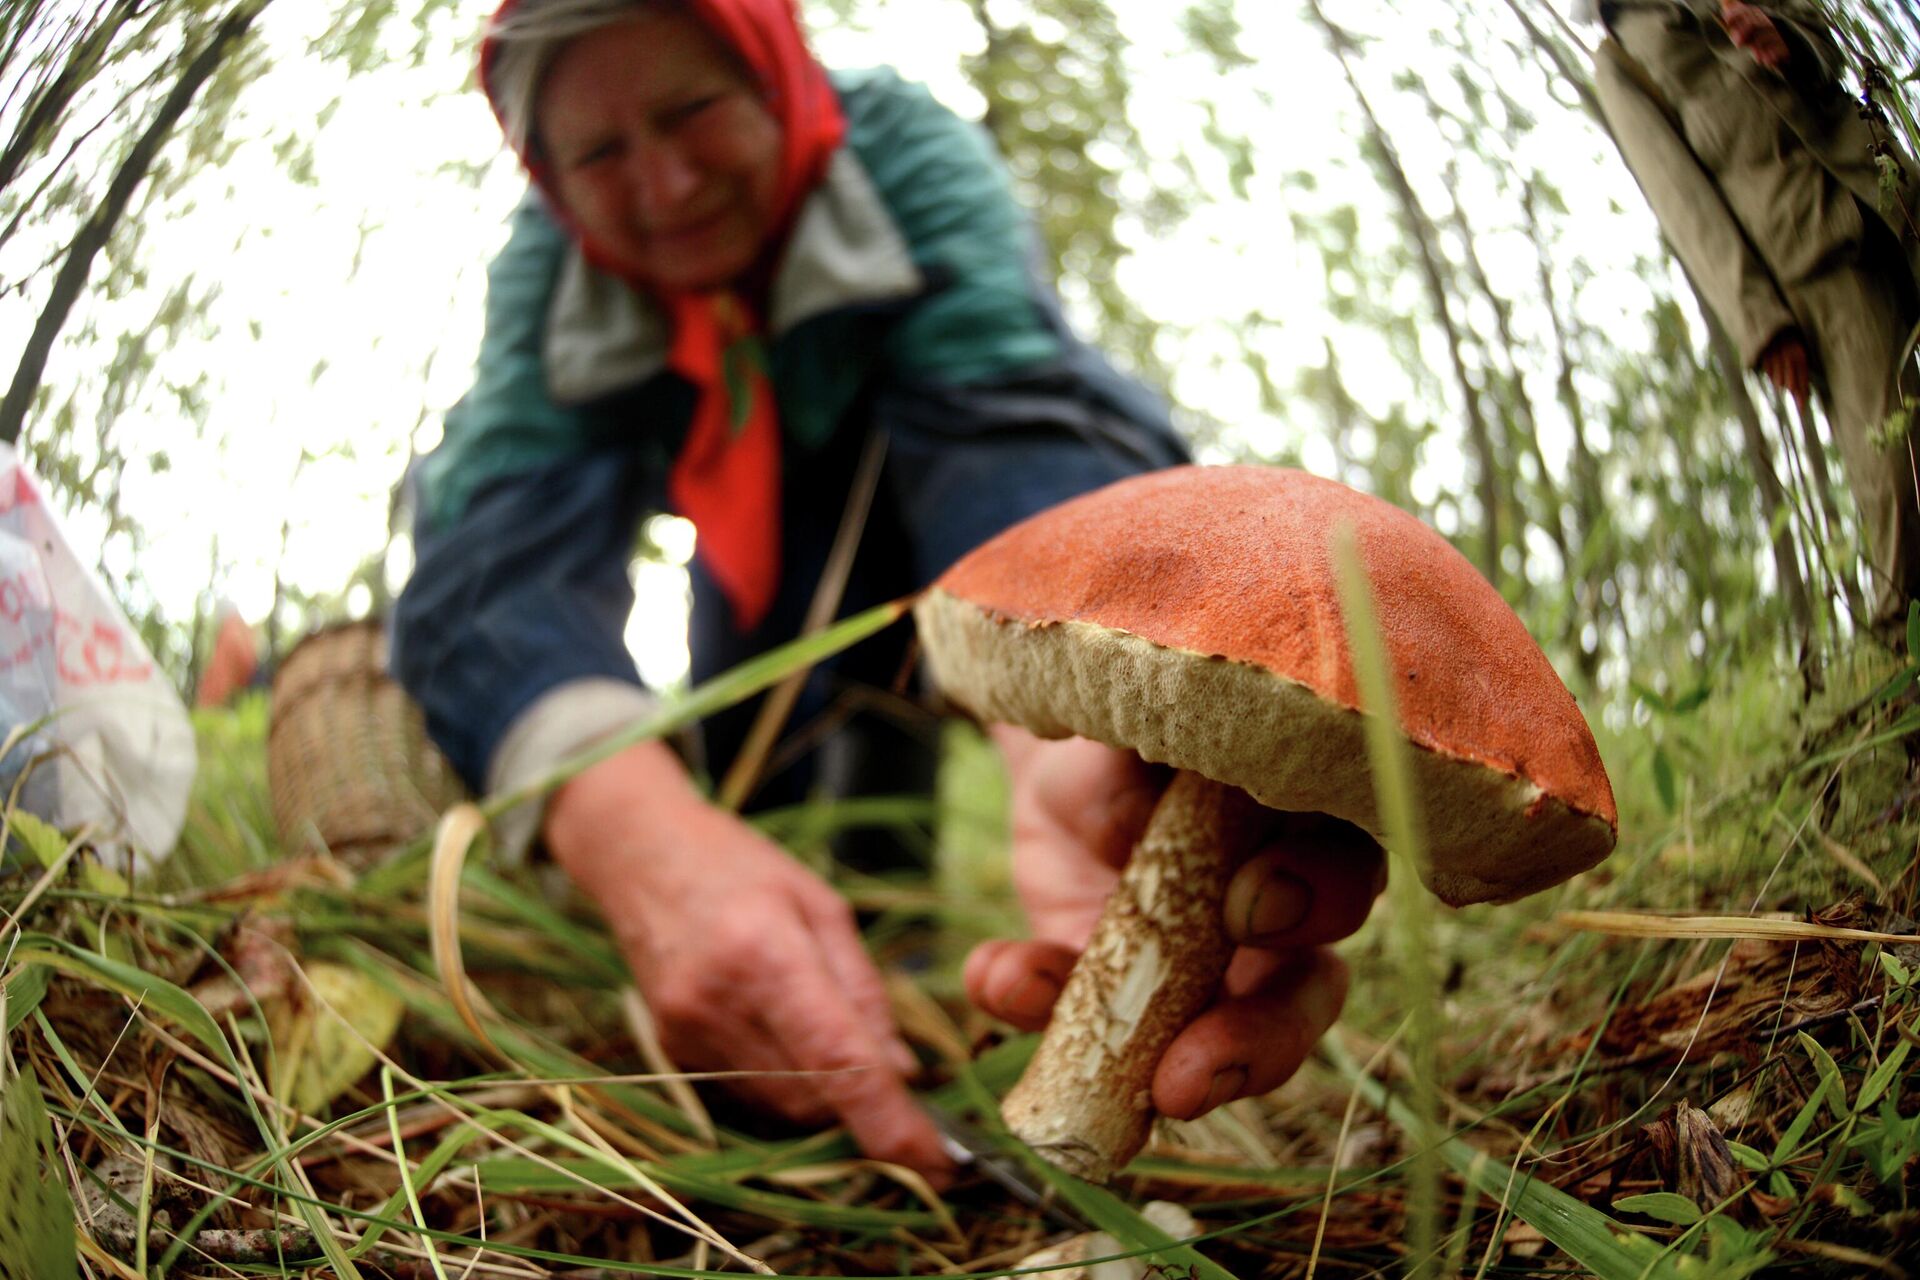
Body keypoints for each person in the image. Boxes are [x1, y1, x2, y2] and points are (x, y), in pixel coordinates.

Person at [392, 0, 1382, 1182]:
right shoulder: (550, 267)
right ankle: (823, 997)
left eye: (692, 110)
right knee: (754, 778)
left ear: (771, 73)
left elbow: (1010, 427)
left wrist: (1085, 721)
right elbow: (500, 536)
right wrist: (639, 841)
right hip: (746, 562)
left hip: (922, 534)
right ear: (547, 174)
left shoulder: (901, 155)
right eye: (598, 153)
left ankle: (905, 965)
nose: (660, 183)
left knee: (884, 691)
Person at [1591, 0, 1920, 629]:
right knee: (1898, 467)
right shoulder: (1621, 60)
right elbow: (1681, 201)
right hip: (1816, 262)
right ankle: (1901, 653)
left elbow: (1826, 41)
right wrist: (1759, 322)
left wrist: (1788, 39)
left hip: (1888, 185)